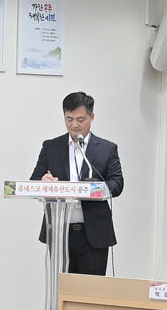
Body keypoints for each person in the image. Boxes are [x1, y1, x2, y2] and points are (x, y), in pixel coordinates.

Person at [31, 91, 125, 275]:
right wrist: (44, 181)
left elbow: (117, 183)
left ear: (92, 117)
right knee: (63, 288)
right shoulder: (51, 147)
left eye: (80, 119)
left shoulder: (107, 149)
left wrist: (96, 189)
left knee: (91, 289)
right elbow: (34, 180)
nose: (74, 125)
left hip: (95, 234)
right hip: (60, 231)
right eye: (69, 119)